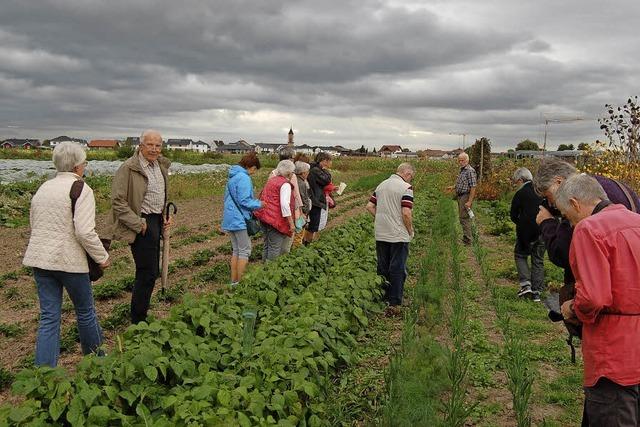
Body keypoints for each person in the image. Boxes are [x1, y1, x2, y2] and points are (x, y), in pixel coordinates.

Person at [555, 174, 640, 426]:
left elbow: (594, 297)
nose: (569, 224)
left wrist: (572, 308)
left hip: (613, 354)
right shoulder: (637, 221)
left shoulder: (589, 229)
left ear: (575, 203)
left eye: (566, 215)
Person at [23, 142, 110, 367]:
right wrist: (102, 257)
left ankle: (44, 375)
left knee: (49, 317)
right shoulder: (81, 189)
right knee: (85, 312)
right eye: (84, 163)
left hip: (41, 260)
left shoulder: (44, 188)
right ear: (78, 166)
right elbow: (84, 231)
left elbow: (35, 224)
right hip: (70, 263)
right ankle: (97, 363)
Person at [108, 129, 172, 324]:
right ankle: (138, 320)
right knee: (147, 272)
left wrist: (164, 216)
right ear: (141, 146)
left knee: (151, 271)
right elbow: (117, 201)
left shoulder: (159, 166)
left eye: (158, 145)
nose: (154, 149)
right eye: (150, 145)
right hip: (141, 222)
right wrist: (138, 224)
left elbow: (160, 194)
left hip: (156, 221)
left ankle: (141, 313)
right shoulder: (129, 168)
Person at [366, 163, 415, 316]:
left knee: (383, 265)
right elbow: (406, 213)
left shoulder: (381, 185)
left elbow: (369, 206)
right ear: (407, 173)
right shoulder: (406, 187)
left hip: (381, 232)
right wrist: (410, 230)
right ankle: (394, 301)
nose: (410, 179)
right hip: (398, 234)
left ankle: (383, 296)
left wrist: (381, 219)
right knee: (397, 267)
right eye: (411, 176)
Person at [222, 152, 263, 286]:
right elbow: (245, 201)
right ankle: (241, 283)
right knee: (245, 251)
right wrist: (259, 204)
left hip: (230, 218)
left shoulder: (232, 176)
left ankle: (233, 281)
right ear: (250, 166)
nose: (254, 172)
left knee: (236, 250)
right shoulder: (244, 178)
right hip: (240, 219)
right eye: (254, 169)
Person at [510, 167, 545, 301]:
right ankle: (537, 292)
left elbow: (513, 214)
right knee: (538, 259)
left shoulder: (521, 193)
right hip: (543, 229)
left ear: (520, 180)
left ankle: (526, 285)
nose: (516, 185)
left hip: (526, 232)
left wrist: (520, 223)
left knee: (520, 254)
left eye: (516, 182)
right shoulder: (541, 190)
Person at [254, 160, 296, 260]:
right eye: (293, 172)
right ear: (289, 173)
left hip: (264, 217)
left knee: (267, 245)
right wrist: (291, 223)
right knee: (274, 248)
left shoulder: (272, 180)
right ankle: (269, 272)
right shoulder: (285, 184)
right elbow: (285, 205)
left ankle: (263, 270)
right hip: (274, 221)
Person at [270, 147, 302, 253]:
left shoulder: (273, 173)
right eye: (293, 158)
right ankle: (282, 263)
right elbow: (295, 195)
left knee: (272, 244)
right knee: (286, 242)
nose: (294, 160)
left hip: (273, 212)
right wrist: (299, 211)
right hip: (287, 211)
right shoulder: (290, 175)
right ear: (288, 159)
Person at [447, 152, 477, 245]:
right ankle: (467, 237)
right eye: (459, 160)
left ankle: (467, 240)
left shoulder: (470, 171)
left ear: (467, 160)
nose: (460, 162)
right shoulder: (463, 170)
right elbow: (462, 183)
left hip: (466, 196)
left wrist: (469, 201)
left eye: (462, 160)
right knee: (462, 217)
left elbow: (473, 187)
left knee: (464, 218)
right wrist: (453, 187)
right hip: (460, 196)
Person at [304, 152, 333, 244]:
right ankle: (307, 243)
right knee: (313, 225)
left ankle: (307, 242)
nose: (330, 163)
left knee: (313, 224)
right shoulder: (315, 170)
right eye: (329, 161)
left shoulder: (314, 168)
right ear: (324, 161)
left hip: (314, 199)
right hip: (315, 200)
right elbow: (327, 180)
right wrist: (326, 171)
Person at [293, 161, 311, 247]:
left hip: (295, 210)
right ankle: (295, 252)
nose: (308, 174)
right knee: (299, 233)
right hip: (300, 212)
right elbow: (304, 199)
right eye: (307, 172)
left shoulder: (294, 179)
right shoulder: (301, 183)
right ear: (303, 173)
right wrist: (305, 211)